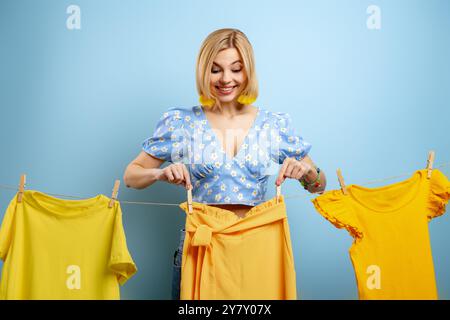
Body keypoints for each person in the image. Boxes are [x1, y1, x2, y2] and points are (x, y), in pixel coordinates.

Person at [123, 28, 327, 299]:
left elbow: (319, 186)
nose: (226, 79)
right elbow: (131, 176)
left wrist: (307, 172)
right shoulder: (182, 122)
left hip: (257, 247)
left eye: (236, 69)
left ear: (248, 72)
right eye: (216, 69)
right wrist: (159, 174)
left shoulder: (272, 124)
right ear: (203, 71)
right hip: (202, 247)